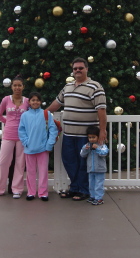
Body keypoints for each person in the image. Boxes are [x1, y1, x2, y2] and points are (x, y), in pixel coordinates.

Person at [47, 57, 107, 201]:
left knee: (83, 163)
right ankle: (74, 188)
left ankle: (84, 190)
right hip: (68, 134)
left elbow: (101, 111)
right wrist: (42, 114)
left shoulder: (95, 87)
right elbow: (57, 103)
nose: (78, 70)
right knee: (69, 161)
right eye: (75, 69)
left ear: (86, 69)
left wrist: (102, 131)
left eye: (81, 68)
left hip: (85, 136)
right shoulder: (67, 87)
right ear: (72, 71)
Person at [0, 76, 29, 199]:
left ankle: (17, 189)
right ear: (11, 87)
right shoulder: (6, 99)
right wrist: (7, 122)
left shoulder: (27, 101)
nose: (17, 88)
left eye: (19, 85)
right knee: (3, 162)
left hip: (22, 136)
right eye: (15, 85)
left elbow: (31, 116)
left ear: (23, 87)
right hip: (8, 134)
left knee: (20, 163)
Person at [18, 92, 58, 201]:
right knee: (30, 172)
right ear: (29, 102)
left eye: (37, 100)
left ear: (40, 102)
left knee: (43, 172)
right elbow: (21, 130)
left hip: (43, 149)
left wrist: (49, 144)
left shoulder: (46, 114)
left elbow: (53, 129)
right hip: (29, 149)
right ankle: (31, 192)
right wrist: (26, 142)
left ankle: (43, 193)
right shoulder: (25, 115)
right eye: (33, 100)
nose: (35, 102)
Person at [80, 126, 109, 206]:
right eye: (89, 137)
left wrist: (97, 149)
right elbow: (82, 154)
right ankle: (92, 196)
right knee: (91, 184)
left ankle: (99, 198)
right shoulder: (87, 145)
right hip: (91, 168)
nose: (91, 139)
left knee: (99, 184)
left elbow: (104, 153)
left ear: (98, 137)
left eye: (93, 137)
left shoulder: (101, 145)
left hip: (100, 169)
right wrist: (85, 149)